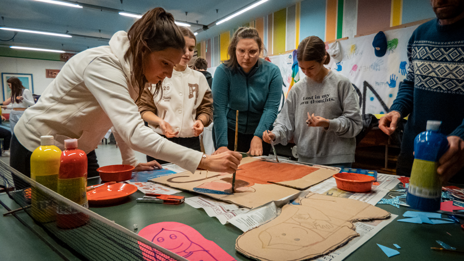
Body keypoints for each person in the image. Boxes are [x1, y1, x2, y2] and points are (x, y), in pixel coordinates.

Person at [10, 7, 241, 182]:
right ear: (143, 50)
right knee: (47, 219)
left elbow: (119, 122)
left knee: (84, 212)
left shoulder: (134, 75)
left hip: (80, 150)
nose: (169, 74)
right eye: (164, 63)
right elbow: (133, 132)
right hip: (37, 149)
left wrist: (129, 163)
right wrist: (204, 160)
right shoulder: (103, 65)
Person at [379, 0, 464, 184]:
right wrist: (397, 109)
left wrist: (461, 135)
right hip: (413, 152)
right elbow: (411, 83)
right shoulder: (420, 34)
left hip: (456, 159)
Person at [263, 36, 362, 167]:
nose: (306, 72)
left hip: (338, 160)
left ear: (322, 60)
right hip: (305, 158)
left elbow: (355, 123)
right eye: (302, 68)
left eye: (311, 67)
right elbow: (285, 122)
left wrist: (329, 123)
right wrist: (275, 135)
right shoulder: (297, 90)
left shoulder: (341, 83)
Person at [137, 27, 213, 164]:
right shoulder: (157, 74)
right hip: (159, 141)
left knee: (190, 182)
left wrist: (201, 121)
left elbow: (206, 108)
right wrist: (160, 122)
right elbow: (144, 108)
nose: (187, 53)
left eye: (191, 49)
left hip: (191, 143)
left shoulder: (199, 78)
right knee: (159, 181)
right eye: (182, 48)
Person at [212, 27, 282, 156]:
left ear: (260, 50)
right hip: (229, 132)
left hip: (261, 130)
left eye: (252, 51)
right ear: (234, 50)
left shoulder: (273, 72)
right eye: (241, 51)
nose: (246, 57)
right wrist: (222, 145)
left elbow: (271, 108)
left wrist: (258, 135)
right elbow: (219, 109)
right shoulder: (223, 71)